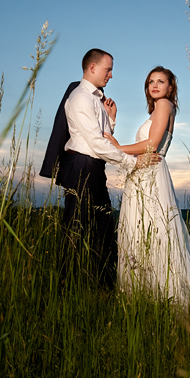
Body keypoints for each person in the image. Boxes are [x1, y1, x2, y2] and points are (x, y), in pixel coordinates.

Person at [105, 66, 190, 309]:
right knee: (144, 231)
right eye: (150, 82)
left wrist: (116, 146)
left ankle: (157, 291)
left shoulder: (164, 105)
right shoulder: (161, 109)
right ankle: (146, 292)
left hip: (151, 174)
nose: (155, 85)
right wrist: (112, 120)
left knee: (153, 231)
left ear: (170, 87)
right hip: (145, 174)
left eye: (161, 81)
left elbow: (152, 143)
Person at [53, 49, 159, 288]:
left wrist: (111, 119)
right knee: (76, 228)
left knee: (102, 228)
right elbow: (96, 144)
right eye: (107, 69)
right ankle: (66, 288)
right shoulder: (80, 97)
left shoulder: (96, 99)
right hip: (81, 165)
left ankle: (102, 287)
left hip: (93, 167)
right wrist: (132, 162)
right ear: (92, 68)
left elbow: (104, 138)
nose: (111, 75)